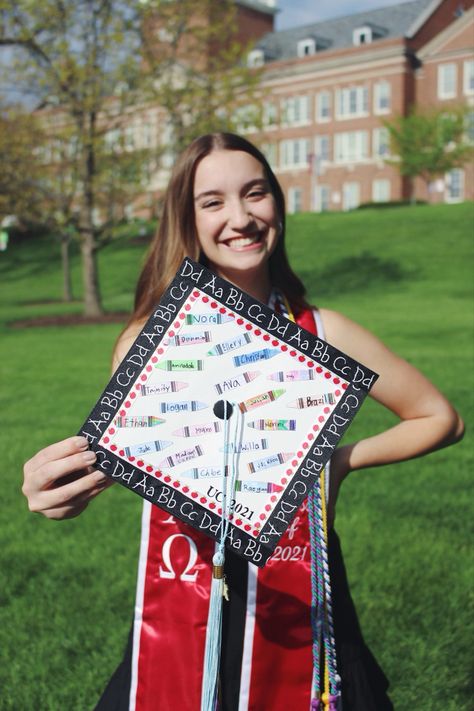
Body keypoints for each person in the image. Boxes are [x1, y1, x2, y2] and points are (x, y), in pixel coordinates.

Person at [22, 133, 464, 711]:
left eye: (255, 193)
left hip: (303, 607)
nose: (241, 217)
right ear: (188, 219)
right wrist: (64, 487)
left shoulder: (326, 333)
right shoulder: (151, 341)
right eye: (213, 202)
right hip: (186, 603)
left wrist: (337, 461)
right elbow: (133, 460)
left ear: (277, 203)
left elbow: (440, 417)